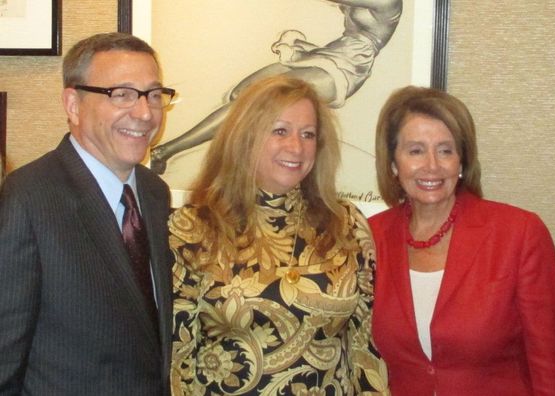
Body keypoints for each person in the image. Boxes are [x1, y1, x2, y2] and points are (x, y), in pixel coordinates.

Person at [169, 75, 389, 395]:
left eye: (308, 134)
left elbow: (364, 348)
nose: (296, 147)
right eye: (280, 131)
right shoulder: (192, 229)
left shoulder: (347, 226)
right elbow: (178, 358)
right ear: (245, 137)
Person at [368, 86, 555, 395]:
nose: (432, 165)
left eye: (445, 150)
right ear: (393, 163)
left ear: (462, 162)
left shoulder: (519, 234)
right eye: (415, 151)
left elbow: (552, 369)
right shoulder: (368, 238)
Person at [0, 32, 176, 395]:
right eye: (122, 94)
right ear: (73, 104)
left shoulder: (155, 194)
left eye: (154, 95)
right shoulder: (29, 197)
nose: (144, 113)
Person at [150, 0, 403, 174]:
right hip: (330, 53)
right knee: (240, 93)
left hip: (348, 69)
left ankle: (165, 151)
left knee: (252, 102)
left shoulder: (389, 2)